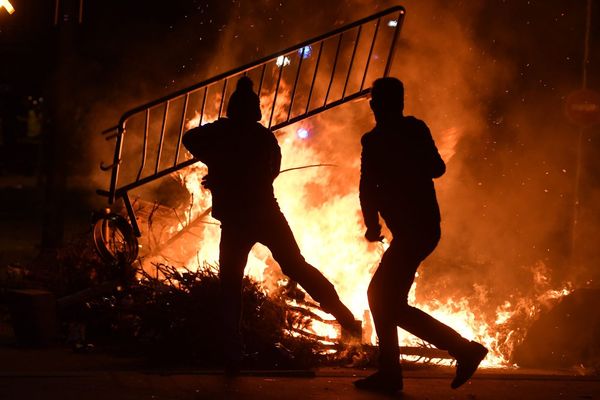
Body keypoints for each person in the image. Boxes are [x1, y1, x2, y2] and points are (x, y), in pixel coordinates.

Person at [182, 77, 359, 374]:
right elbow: (272, 173)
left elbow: (190, 138)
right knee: (296, 266)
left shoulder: (222, 134)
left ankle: (232, 352)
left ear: (232, 110)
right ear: (255, 112)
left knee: (231, 286)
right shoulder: (264, 138)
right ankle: (346, 319)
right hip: (265, 213)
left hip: (237, 220)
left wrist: (219, 164)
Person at [354, 77, 488, 394]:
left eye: (376, 101)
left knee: (384, 300)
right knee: (384, 300)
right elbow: (436, 168)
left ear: (378, 105)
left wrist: (372, 224)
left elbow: (367, 189)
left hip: (415, 231)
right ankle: (394, 372)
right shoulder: (412, 130)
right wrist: (374, 222)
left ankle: (463, 350)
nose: (374, 106)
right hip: (422, 228)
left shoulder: (376, 141)